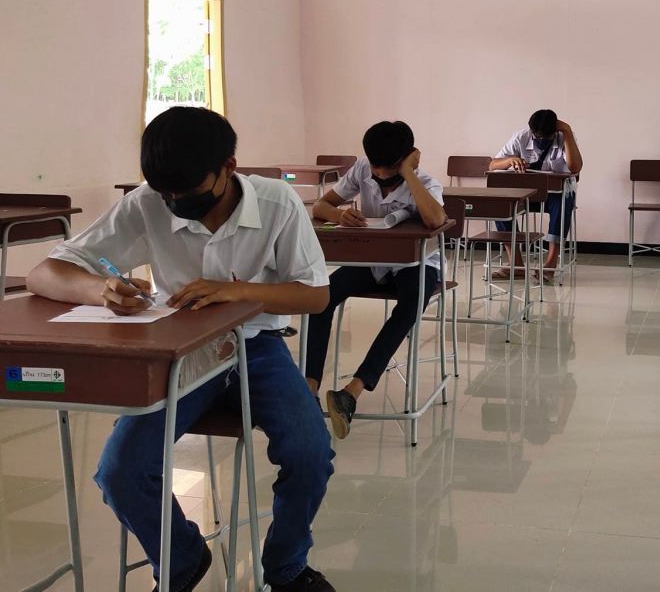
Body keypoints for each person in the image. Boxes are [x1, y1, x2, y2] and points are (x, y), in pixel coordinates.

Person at [26, 107, 336, 592]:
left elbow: (315, 295)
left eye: (186, 192)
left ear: (228, 167)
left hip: (257, 345)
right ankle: (182, 559)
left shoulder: (277, 203)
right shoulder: (150, 201)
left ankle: (287, 565)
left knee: (309, 452)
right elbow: (43, 273)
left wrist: (236, 292)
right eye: (165, 194)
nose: (173, 203)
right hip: (181, 352)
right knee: (120, 471)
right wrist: (100, 289)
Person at [306, 120, 447, 438]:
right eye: (375, 167)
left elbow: (436, 219)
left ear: (408, 158)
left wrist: (409, 173)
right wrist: (339, 215)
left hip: (417, 264)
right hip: (374, 261)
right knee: (321, 297)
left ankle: (351, 392)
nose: (381, 174)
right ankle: (309, 389)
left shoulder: (425, 182)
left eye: (391, 167)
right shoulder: (361, 169)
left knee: (410, 306)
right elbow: (321, 205)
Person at [489, 109, 583, 277]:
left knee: (564, 199)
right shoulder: (520, 137)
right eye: (536, 137)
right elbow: (492, 165)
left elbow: (575, 168)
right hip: (527, 195)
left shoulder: (564, 137)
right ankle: (516, 263)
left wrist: (567, 131)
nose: (540, 140)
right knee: (500, 204)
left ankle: (550, 263)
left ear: (555, 130)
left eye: (545, 138)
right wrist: (509, 160)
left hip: (554, 196)